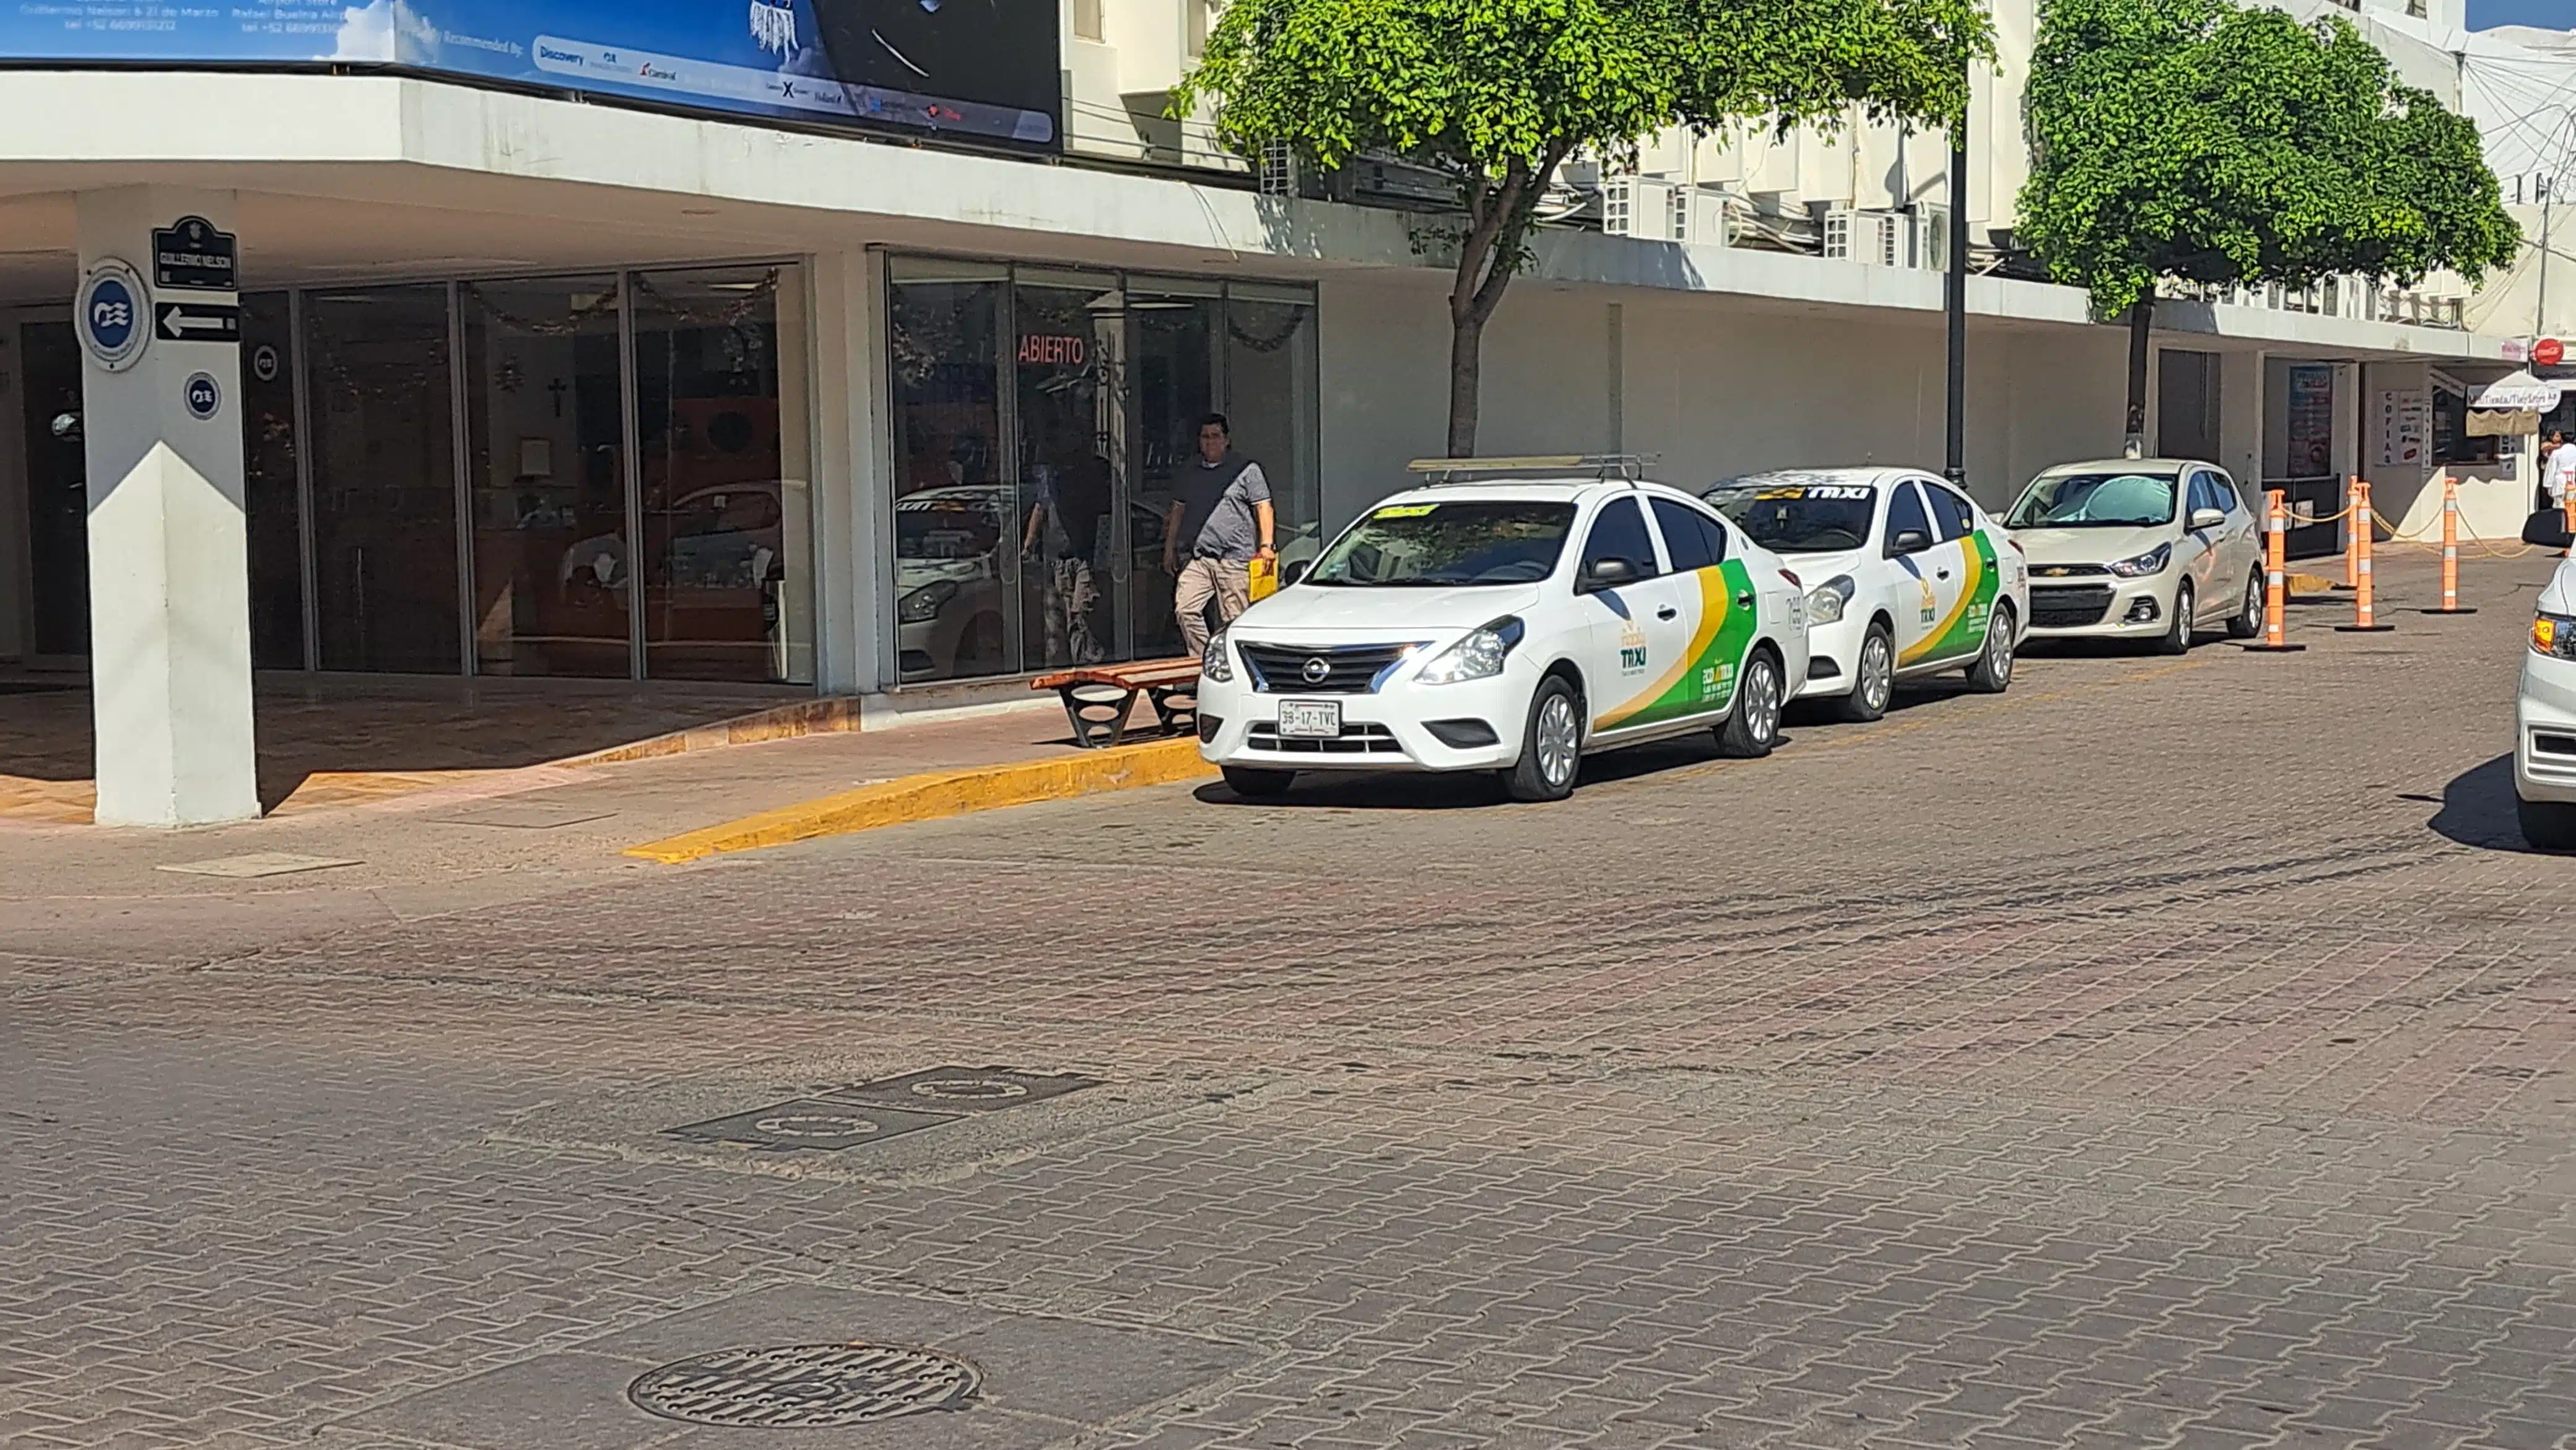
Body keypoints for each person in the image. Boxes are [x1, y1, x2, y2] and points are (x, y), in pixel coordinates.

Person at [1164, 414, 1276, 659]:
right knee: (1185, 609)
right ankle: (1206, 664)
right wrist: (1169, 548)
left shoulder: (1246, 470)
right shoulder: (1190, 470)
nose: (1210, 442)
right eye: (1205, 437)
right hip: (1199, 558)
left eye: (1216, 437)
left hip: (1235, 559)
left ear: (1227, 440)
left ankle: (1233, 673)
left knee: (1233, 620)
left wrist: (1267, 545)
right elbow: (1177, 510)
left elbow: (1263, 506)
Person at [1022, 437, 1111, 666]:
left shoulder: (1092, 479)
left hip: (1084, 559)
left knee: (1082, 612)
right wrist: (1028, 546)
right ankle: (1061, 667)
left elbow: (1106, 518)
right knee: (1058, 618)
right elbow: (1039, 511)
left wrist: (1103, 558)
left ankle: (1087, 663)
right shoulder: (1051, 483)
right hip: (1057, 560)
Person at [2547, 430, 2576, 516]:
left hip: (2559, 480)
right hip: (2572, 481)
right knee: (2571, 504)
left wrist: (2549, 485)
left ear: (2562, 440)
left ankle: (2560, 524)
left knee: (2559, 505)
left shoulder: (2557, 453)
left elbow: (2551, 469)